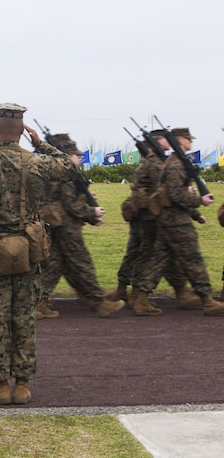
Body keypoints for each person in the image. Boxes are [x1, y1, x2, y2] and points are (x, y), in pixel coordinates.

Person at [0, 103, 84, 405]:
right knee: (24, 317)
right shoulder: (38, 162)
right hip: (29, 252)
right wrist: (42, 144)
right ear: (23, 132)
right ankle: (23, 384)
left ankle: (0, 385)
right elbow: (71, 168)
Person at [131, 127, 224, 316]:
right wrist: (199, 201)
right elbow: (174, 195)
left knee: (159, 260)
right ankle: (207, 301)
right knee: (193, 259)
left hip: (170, 220)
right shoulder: (175, 165)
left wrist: (195, 213)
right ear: (181, 140)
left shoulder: (174, 162)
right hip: (176, 222)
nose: (192, 142)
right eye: (189, 139)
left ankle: (141, 299)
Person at [107, 130, 199, 315]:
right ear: (159, 141)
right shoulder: (156, 163)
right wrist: (192, 204)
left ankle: (132, 292)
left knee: (148, 253)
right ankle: (139, 295)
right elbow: (165, 190)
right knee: (154, 254)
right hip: (152, 215)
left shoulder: (148, 161)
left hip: (143, 213)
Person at [35, 134, 124, 319]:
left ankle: (39, 302)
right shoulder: (64, 172)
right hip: (66, 226)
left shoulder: (44, 168)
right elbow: (70, 204)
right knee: (81, 263)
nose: (79, 157)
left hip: (51, 224)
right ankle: (99, 302)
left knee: (54, 265)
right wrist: (93, 213)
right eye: (75, 154)